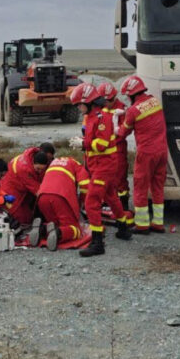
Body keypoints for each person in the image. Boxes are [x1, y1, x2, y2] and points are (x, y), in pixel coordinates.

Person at [70, 83, 131, 257]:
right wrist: (83, 141)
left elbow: (102, 145)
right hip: (100, 165)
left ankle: (97, 243)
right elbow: (94, 140)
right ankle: (123, 228)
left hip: (104, 166)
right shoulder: (91, 116)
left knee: (91, 202)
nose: (78, 108)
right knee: (111, 197)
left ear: (89, 102)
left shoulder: (101, 118)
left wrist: (83, 144)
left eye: (79, 105)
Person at [117, 75, 168, 234]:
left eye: (128, 96)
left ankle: (142, 225)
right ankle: (158, 223)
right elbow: (143, 115)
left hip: (146, 153)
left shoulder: (132, 111)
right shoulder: (154, 101)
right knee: (157, 187)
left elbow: (122, 133)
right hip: (162, 151)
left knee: (140, 187)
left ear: (132, 94)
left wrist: (115, 123)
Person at [33, 154, 90, 250]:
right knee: (75, 229)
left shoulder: (52, 164)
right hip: (60, 197)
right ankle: (58, 234)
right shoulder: (75, 164)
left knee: (55, 223)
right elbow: (85, 185)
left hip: (42, 197)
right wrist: (82, 202)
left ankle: (41, 230)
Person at [0, 143, 55, 228]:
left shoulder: (37, 159)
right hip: (11, 189)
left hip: (24, 189)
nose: (49, 160)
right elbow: (37, 190)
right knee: (19, 217)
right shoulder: (24, 168)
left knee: (28, 216)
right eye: (48, 158)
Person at [98, 80, 130, 213]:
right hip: (104, 150)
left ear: (114, 97)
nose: (107, 103)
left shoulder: (122, 109)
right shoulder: (99, 109)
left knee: (120, 177)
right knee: (105, 178)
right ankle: (107, 202)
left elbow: (123, 132)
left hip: (118, 149)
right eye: (104, 101)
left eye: (109, 100)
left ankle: (123, 204)